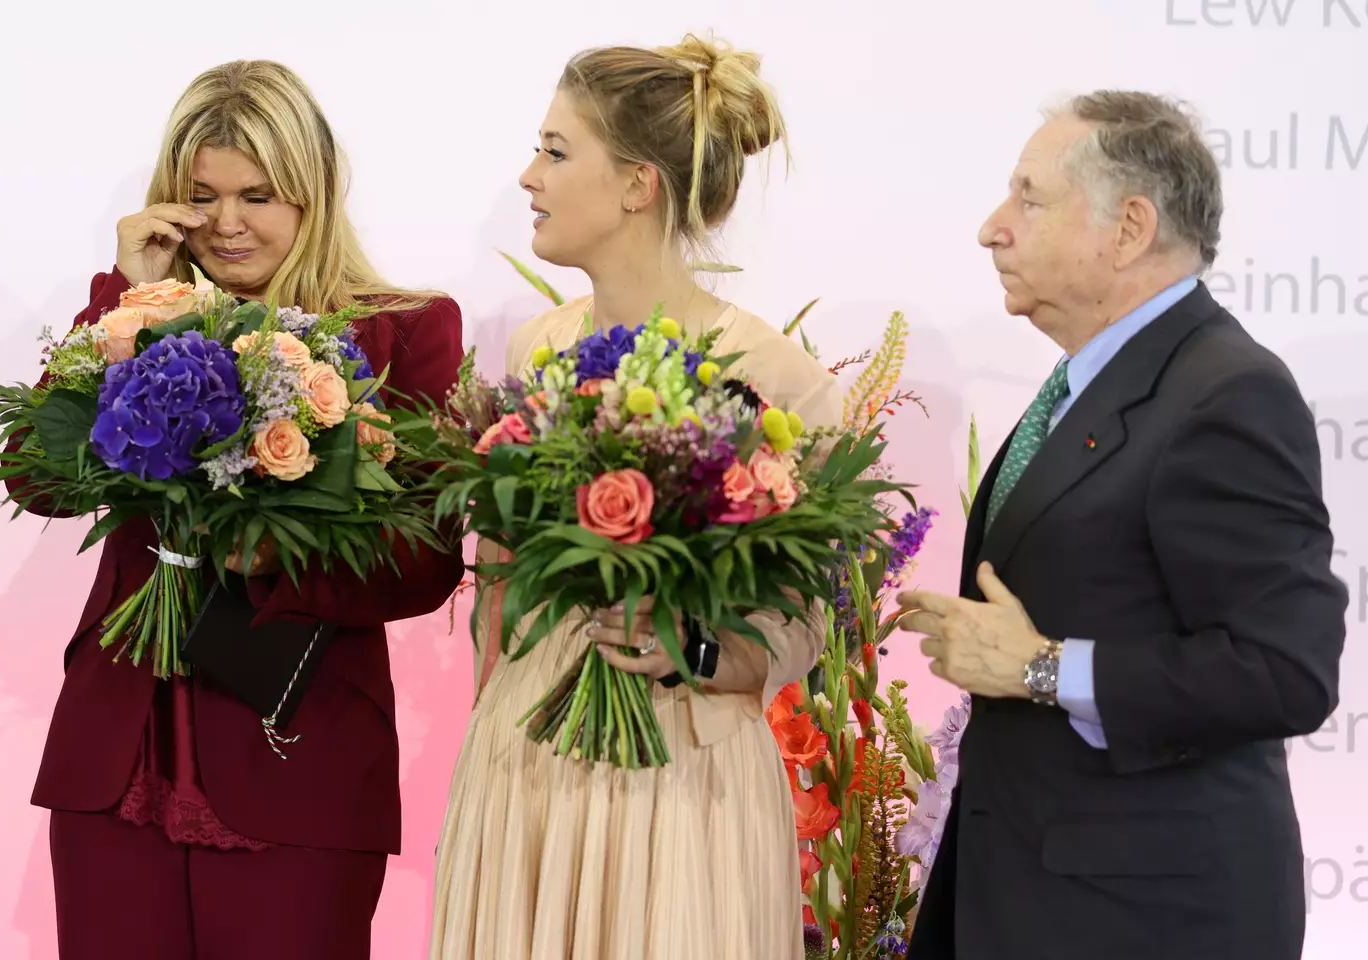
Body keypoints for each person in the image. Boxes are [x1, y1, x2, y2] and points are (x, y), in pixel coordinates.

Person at [6, 60, 465, 959]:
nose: (225, 224)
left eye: (257, 195)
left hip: (298, 754)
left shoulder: (403, 331)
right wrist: (124, 293)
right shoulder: (142, 316)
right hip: (117, 759)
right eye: (201, 196)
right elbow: (36, 477)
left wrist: (270, 555)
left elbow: (426, 561)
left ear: (313, 192)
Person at [898, 91, 1346, 959]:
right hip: (1032, 897)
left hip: (1145, 922)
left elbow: (1287, 670)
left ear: (1129, 227)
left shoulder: (1227, 393)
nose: (994, 227)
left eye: (1029, 198)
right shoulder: (1093, 382)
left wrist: (1039, 667)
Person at [430, 34, 841, 960]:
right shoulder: (534, 348)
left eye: (555, 150)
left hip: (682, 774)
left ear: (637, 185)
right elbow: (499, 585)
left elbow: (804, 619)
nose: (528, 176)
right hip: (526, 753)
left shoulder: (779, 377)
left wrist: (687, 645)